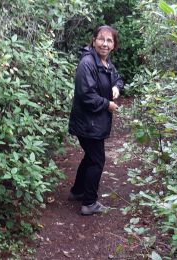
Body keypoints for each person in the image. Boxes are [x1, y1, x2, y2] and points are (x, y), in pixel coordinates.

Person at [68, 25, 124, 215]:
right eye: (102, 39)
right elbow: (87, 95)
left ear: (114, 45)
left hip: (95, 121)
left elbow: (117, 78)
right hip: (87, 122)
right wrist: (108, 104)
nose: (105, 44)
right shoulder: (88, 63)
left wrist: (117, 86)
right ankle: (89, 203)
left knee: (91, 156)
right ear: (94, 40)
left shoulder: (105, 63)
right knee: (97, 160)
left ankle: (77, 191)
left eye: (110, 41)